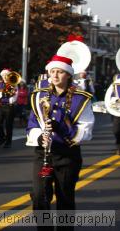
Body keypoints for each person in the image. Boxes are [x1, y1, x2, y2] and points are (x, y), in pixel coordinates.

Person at [26, 55, 94, 230]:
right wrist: (40, 137)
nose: (55, 76)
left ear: (68, 75)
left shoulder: (81, 99)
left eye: (60, 72)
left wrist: (61, 128)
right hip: (43, 153)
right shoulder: (39, 95)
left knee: (64, 198)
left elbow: (85, 132)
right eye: (52, 71)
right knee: (39, 195)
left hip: (67, 156)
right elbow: (32, 123)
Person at [0, 68, 18, 148]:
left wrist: (9, 99)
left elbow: (15, 95)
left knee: (8, 125)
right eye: (3, 75)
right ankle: (2, 138)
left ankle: (8, 142)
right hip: (0, 106)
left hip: (9, 107)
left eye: (6, 75)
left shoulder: (13, 83)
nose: (4, 77)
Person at [107, 73, 120, 155]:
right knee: (117, 130)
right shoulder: (116, 77)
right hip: (117, 108)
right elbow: (111, 92)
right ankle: (119, 145)